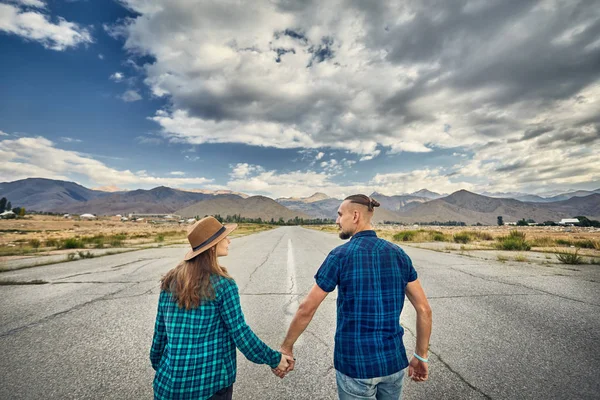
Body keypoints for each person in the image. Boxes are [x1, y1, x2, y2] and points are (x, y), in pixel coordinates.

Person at [276, 194, 432, 399]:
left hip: (355, 364)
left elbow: (307, 308)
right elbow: (424, 310)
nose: (337, 221)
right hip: (392, 363)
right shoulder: (398, 254)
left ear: (355, 215)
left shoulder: (340, 256)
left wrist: (286, 347)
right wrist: (421, 355)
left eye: (340, 215)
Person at [150, 216, 292, 400]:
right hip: (209, 386)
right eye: (224, 237)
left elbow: (159, 335)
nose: (229, 240)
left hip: (167, 386)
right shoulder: (223, 285)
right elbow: (241, 335)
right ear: (212, 246)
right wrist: (275, 359)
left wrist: (161, 367)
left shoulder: (170, 280)